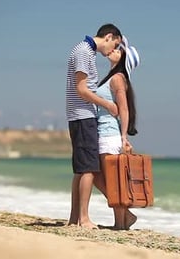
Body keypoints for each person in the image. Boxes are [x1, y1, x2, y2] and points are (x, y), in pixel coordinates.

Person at [66, 23, 122, 229]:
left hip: (80, 115)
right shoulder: (83, 51)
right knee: (88, 169)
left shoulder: (85, 51)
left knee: (81, 170)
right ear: (108, 37)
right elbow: (82, 89)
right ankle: (84, 218)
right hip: (83, 115)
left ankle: (74, 219)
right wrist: (107, 104)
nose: (113, 51)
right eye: (114, 44)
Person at [94, 36, 141, 230]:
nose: (113, 50)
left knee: (109, 180)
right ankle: (124, 218)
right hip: (103, 133)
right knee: (100, 177)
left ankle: (121, 222)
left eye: (119, 50)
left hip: (110, 135)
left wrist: (123, 137)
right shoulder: (111, 77)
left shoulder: (118, 79)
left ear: (123, 59)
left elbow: (124, 109)